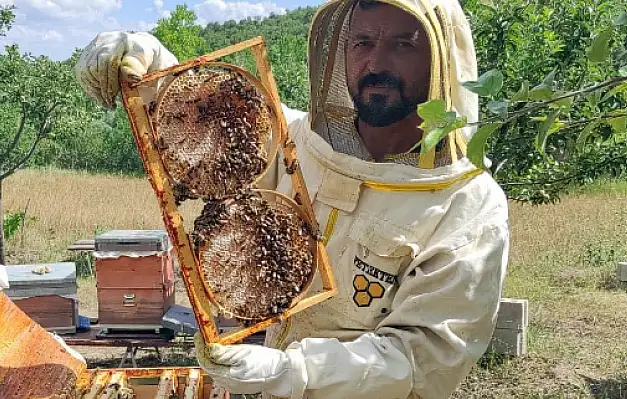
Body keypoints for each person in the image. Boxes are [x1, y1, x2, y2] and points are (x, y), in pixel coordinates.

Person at [75, 0, 510, 397]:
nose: (376, 62)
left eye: (403, 44)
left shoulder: (468, 205)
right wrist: (147, 61)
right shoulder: (299, 143)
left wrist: (292, 372)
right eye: (362, 41)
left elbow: (427, 361)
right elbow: (212, 119)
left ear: (441, 62)